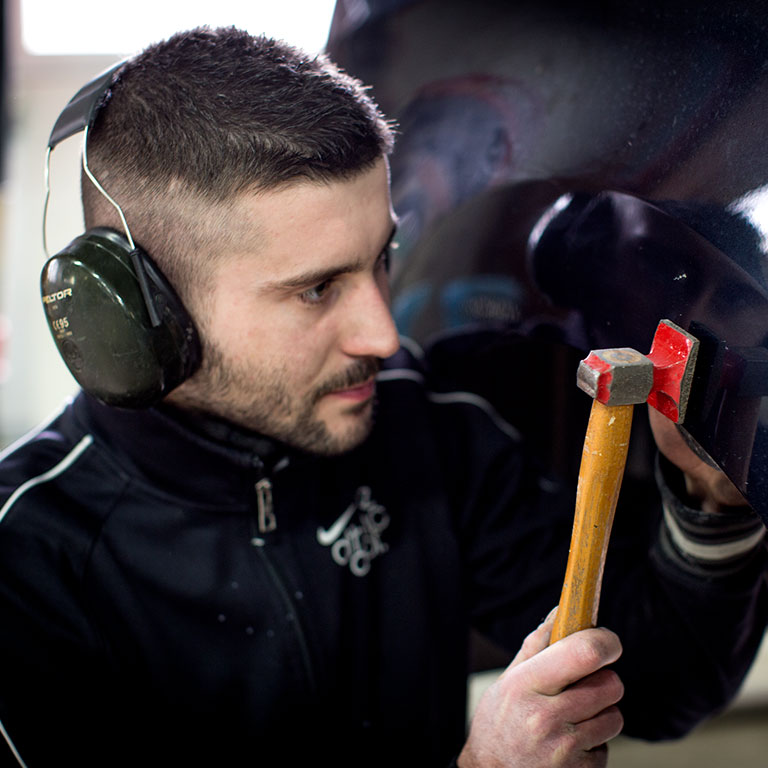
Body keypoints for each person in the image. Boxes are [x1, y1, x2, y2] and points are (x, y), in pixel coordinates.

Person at [0, 26, 765, 768]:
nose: (384, 334)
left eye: (381, 259)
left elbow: (664, 685)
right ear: (145, 316)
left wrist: (710, 510)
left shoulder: (427, 431)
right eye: (317, 289)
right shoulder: (28, 568)